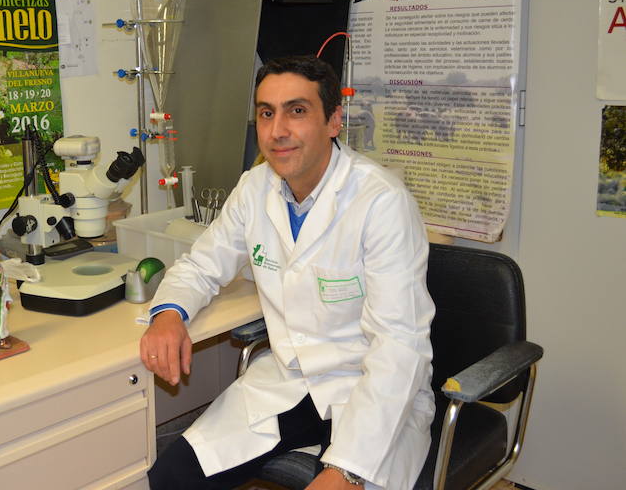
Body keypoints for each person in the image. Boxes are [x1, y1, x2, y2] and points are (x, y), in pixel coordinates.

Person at [141, 56, 435, 490]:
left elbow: (399, 345)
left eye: (296, 111)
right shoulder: (255, 187)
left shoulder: (381, 202)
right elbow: (202, 265)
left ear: (333, 121)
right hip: (289, 382)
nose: (277, 130)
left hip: (369, 391)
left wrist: (346, 470)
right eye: (266, 113)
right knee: (171, 478)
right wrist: (168, 313)